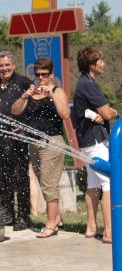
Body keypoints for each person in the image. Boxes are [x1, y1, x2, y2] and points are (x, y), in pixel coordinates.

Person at [12, 58, 70, 238]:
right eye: (38, 74)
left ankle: (51, 223)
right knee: (45, 181)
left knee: (48, 184)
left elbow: (65, 114)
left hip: (51, 142)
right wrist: (25, 95)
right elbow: (15, 111)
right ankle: (57, 217)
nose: (41, 78)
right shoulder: (30, 92)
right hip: (34, 143)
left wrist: (51, 95)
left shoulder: (57, 91)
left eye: (44, 74)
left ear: (51, 74)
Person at [73, 46, 118, 244]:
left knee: (93, 184)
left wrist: (104, 113)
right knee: (109, 183)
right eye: (100, 60)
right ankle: (110, 232)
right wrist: (113, 112)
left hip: (86, 141)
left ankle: (91, 227)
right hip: (95, 141)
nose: (104, 63)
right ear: (92, 64)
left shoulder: (82, 82)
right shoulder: (89, 85)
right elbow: (108, 113)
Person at [0, 51, 31, 231]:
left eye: (7, 65)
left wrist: (25, 126)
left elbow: (34, 105)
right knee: (3, 179)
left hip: (17, 139)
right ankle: (7, 213)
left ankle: (24, 216)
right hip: (0, 140)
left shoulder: (23, 82)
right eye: (1, 66)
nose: (4, 69)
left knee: (20, 178)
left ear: (13, 65)